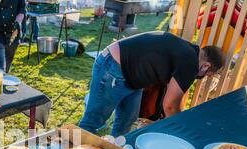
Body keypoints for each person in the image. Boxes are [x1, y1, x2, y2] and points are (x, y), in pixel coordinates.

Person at [79, 31, 225, 137]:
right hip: (113, 69)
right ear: (205, 66)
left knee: (126, 121)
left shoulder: (189, 51)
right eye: (207, 75)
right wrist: (178, 129)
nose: (202, 78)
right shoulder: (190, 63)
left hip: (131, 76)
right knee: (91, 123)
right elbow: (169, 106)